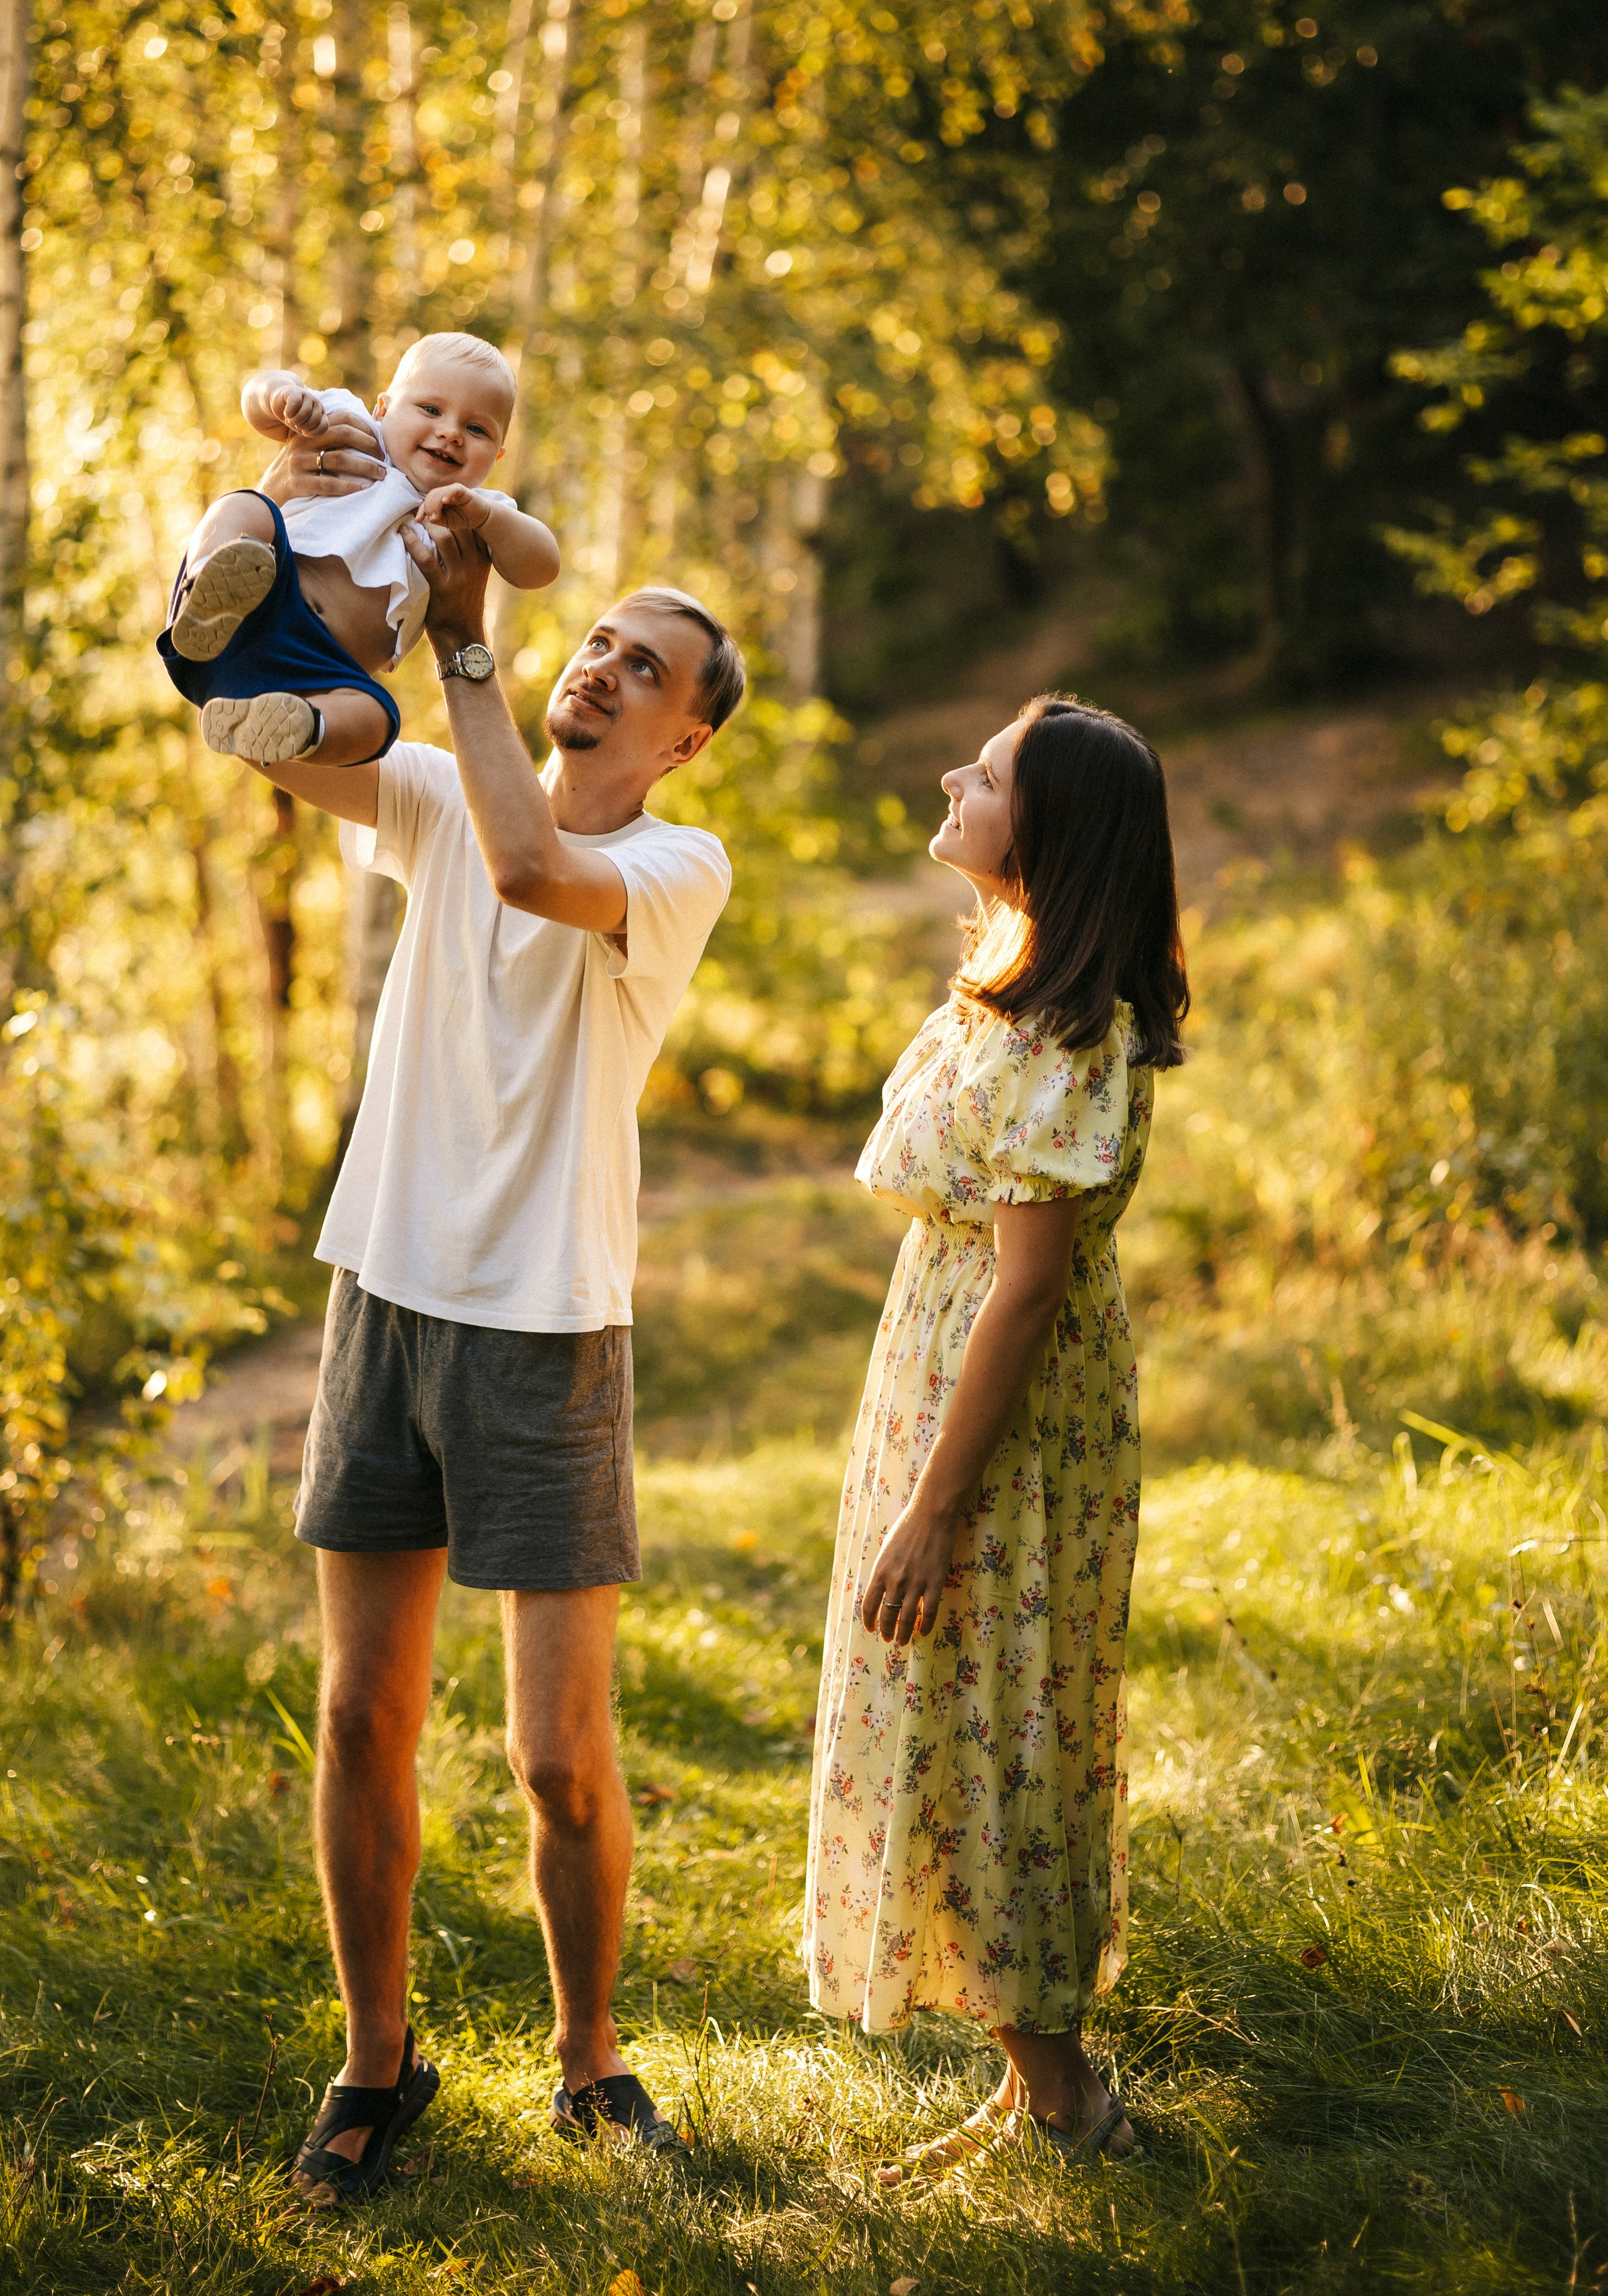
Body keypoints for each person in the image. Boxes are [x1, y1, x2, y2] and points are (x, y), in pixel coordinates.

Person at [227, 432, 745, 2204]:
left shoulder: (678, 871)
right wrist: (299, 539)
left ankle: (591, 2063)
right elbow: (268, 726)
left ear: (682, 739)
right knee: (362, 1714)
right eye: (595, 640)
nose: (602, 668)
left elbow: (533, 868)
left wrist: (469, 647)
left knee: (556, 1757)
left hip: (542, 1331)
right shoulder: (441, 794)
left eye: (644, 669)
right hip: (386, 1300)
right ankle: (378, 2067)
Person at [803, 695, 1188, 2178]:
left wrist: (933, 1507)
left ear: (1055, 831)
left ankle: (1068, 2103)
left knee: (984, 1730)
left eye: (992, 772)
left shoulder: (1067, 1036)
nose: (953, 774)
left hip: (1002, 1423)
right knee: (946, 1718)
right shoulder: (1003, 983)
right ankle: (1035, 2086)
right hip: (940, 1374)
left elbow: (1025, 1294)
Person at [156, 332, 559, 768]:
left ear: (497, 458)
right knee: (245, 506)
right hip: (261, 602)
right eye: (431, 409)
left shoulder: (471, 512)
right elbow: (255, 398)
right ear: (383, 409)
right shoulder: (350, 426)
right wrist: (284, 395)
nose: (450, 433)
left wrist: (488, 518)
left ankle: (301, 727)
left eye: (476, 429)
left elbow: (542, 566)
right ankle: (208, 591)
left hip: (321, 672)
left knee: (378, 721)